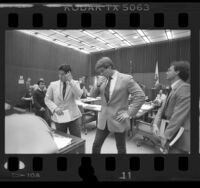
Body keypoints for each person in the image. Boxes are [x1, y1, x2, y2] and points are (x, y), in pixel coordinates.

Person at [90, 57, 145, 154]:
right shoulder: (102, 80)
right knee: (96, 145)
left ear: (109, 67)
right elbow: (92, 95)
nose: (101, 74)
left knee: (121, 147)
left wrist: (129, 113)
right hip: (103, 120)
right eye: (99, 72)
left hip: (118, 119)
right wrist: (97, 85)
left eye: (102, 71)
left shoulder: (126, 79)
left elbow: (140, 96)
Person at [152, 60, 190, 154]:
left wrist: (166, 136)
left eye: (169, 70)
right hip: (167, 132)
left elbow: (178, 116)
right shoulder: (173, 88)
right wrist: (155, 124)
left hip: (178, 138)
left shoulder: (185, 88)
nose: (166, 72)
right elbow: (162, 109)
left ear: (177, 72)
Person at [45, 64, 83, 137]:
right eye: (59, 74)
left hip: (73, 117)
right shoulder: (53, 84)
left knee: (77, 139)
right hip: (60, 117)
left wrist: (71, 81)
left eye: (62, 74)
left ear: (68, 74)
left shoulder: (75, 83)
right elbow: (47, 99)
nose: (60, 76)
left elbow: (79, 95)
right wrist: (55, 108)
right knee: (62, 138)